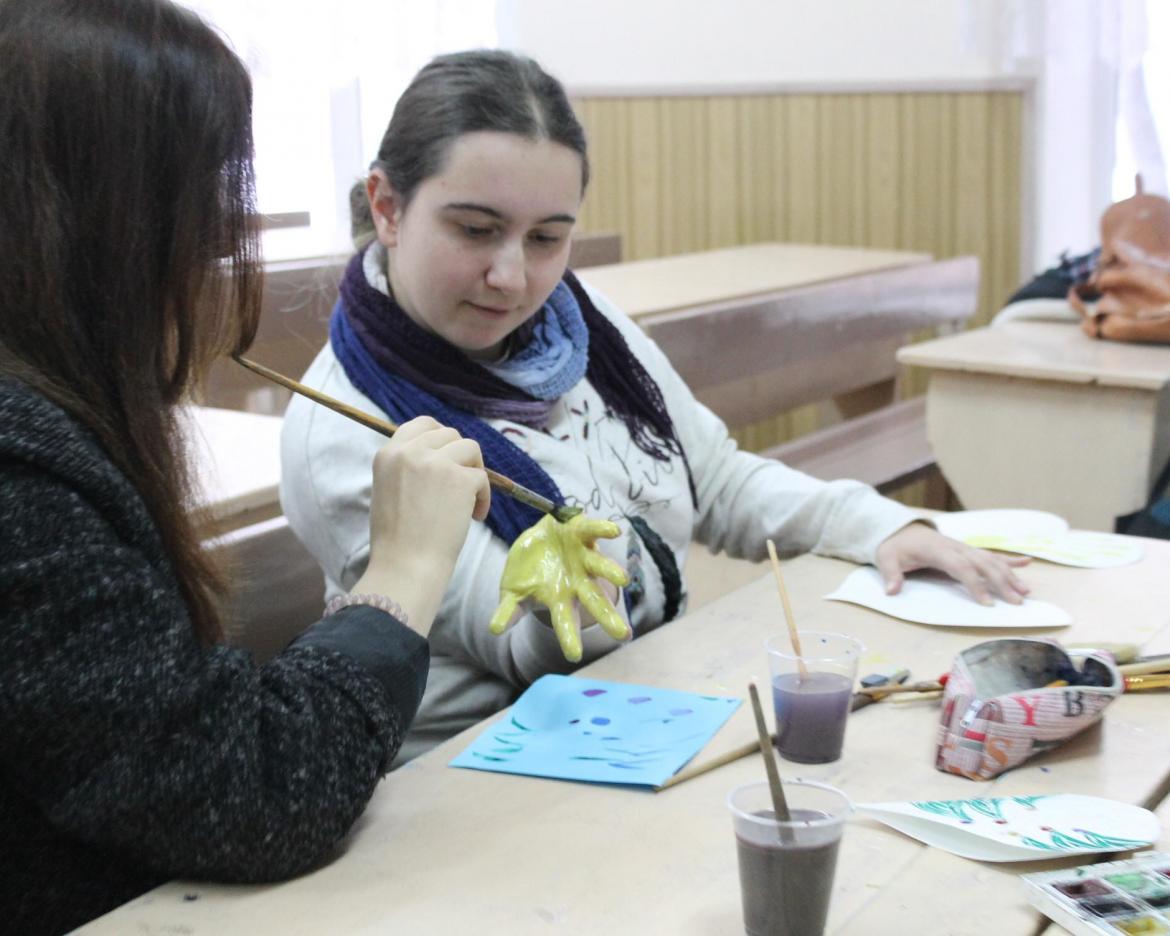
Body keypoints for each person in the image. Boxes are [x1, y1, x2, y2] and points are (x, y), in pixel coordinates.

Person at [280, 49, 1029, 765]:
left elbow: (716, 480)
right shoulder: (346, 432)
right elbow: (524, 652)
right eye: (476, 230)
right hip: (484, 766)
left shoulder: (580, 321)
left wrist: (880, 527)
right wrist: (589, 592)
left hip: (651, 705)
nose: (511, 276)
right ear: (388, 207)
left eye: (546, 238)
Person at [0, 2, 489, 933]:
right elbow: (255, 793)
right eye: (205, 204)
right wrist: (403, 573)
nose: (225, 236)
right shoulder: (19, 472)